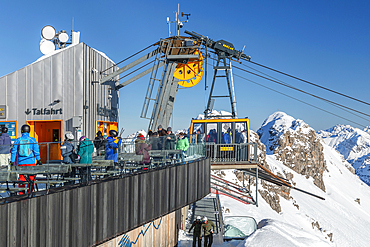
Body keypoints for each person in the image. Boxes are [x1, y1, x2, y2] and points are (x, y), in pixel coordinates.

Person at [10, 124, 42, 195]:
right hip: (31, 162)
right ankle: (29, 192)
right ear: (29, 131)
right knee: (31, 178)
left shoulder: (18, 140)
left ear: (21, 131)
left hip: (21, 162)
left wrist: (12, 161)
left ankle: (21, 193)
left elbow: (14, 151)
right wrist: (38, 160)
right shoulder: (32, 140)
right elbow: (36, 151)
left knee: (21, 178)